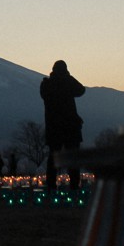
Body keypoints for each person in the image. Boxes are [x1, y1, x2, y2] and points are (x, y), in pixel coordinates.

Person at [40, 60, 86, 190]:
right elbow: (81, 90)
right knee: (72, 157)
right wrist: (68, 77)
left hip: (54, 127)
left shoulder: (46, 85)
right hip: (70, 127)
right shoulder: (67, 83)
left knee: (54, 157)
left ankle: (51, 186)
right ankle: (74, 186)